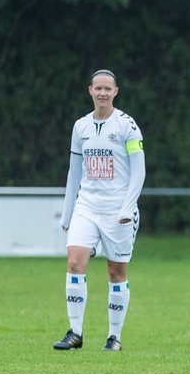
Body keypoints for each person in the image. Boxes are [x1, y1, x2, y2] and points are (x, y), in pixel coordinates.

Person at [54, 69, 146, 352]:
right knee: (74, 262)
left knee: (116, 272)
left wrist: (128, 207)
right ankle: (75, 333)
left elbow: (139, 170)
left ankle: (114, 337)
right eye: (98, 88)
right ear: (90, 91)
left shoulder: (127, 126)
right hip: (87, 206)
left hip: (117, 209)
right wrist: (68, 213)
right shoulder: (80, 126)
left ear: (116, 92)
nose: (103, 93)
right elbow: (74, 172)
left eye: (108, 88)